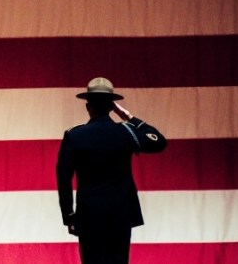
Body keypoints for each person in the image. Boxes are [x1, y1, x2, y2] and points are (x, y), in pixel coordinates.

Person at [56, 77, 167, 264]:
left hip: (89, 214)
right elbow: (159, 141)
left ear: (88, 106)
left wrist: (68, 215)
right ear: (111, 107)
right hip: (120, 212)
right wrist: (128, 116)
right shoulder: (127, 132)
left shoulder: (74, 135)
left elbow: (63, 177)